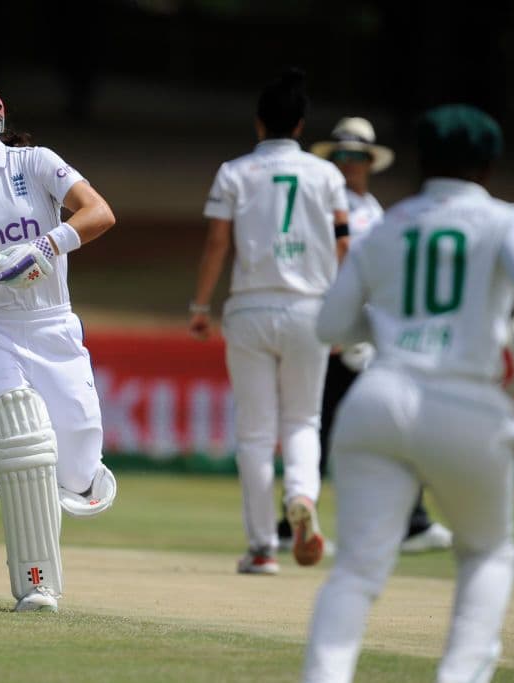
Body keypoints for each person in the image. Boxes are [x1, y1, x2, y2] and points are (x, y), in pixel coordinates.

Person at [302, 104, 514, 683]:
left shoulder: (386, 225)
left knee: (357, 573)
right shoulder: (506, 219)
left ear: (421, 161)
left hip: (378, 400)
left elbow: (331, 326)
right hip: (467, 399)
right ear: (489, 167)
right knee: (488, 553)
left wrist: (392, 329)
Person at [0, 70, 117, 612]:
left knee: (78, 470)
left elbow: (99, 212)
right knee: (22, 434)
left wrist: (48, 247)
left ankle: (26, 487)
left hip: (53, 324)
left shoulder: (36, 163)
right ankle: (37, 584)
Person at [189, 68, 349, 575]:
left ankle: (262, 548)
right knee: (303, 419)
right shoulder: (328, 175)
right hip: (311, 309)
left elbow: (218, 242)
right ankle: (302, 495)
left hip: (250, 309)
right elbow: (345, 244)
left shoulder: (234, 172)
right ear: (301, 126)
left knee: (256, 434)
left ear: (260, 124)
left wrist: (199, 306)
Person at [282, 116, 452, 555]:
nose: (348, 164)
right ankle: (292, 524)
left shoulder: (374, 211)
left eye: (357, 156)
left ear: (370, 162)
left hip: (366, 335)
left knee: (350, 426)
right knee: (316, 426)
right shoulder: (322, 204)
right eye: (341, 155)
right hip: (332, 332)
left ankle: (405, 522)